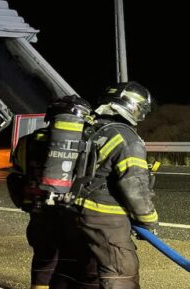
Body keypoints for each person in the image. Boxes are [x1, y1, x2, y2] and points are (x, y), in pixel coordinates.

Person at [53, 81, 158, 289]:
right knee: (120, 274)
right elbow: (134, 186)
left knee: (84, 273)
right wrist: (149, 221)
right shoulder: (126, 138)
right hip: (105, 219)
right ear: (134, 107)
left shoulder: (88, 129)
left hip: (70, 212)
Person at [7, 95, 92, 289]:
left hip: (38, 214)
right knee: (69, 264)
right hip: (70, 216)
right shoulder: (84, 144)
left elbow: (17, 175)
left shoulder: (26, 141)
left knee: (43, 261)